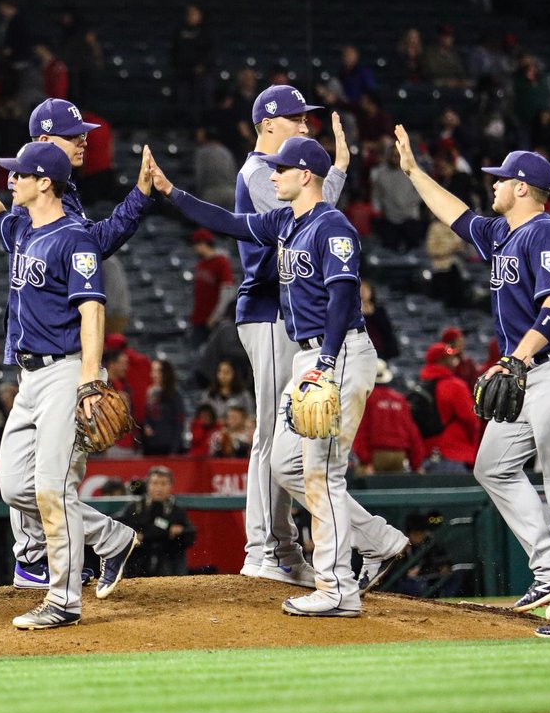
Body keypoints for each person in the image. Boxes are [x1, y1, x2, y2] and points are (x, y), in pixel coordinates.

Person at [150, 135, 410, 617]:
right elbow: (227, 222)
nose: (272, 176)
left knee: (321, 472)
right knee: (286, 465)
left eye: (281, 169)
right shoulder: (284, 221)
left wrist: (326, 364)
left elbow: (343, 298)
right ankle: (376, 541)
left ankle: (337, 588)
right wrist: (170, 192)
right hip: (308, 359)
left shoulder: (333, 227)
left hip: (339, 353)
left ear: (305, 174)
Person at [394, 125, 550, 638]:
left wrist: (516, 356)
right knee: (492, 465)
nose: (491, 184)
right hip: (530, 371)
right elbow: (455, 214)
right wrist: (413, 172)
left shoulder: (546, 233)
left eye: (500, 179)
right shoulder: (502, 233)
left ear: (521, 187)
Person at [0, 129, 140, 629]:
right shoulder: (23, 228)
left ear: (45, 182)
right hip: (29, 378)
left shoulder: (75, 238)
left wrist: (88, 382)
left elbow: (92, 312)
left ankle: (63, 599)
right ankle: (110, 539)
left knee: (51, 488)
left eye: (19, 174)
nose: (10, 180)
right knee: (14, 485)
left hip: (65, 371)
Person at [5, 97, 156, 588]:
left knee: (52, 482)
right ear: (44, 142)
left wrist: (89, 374)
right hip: (37, 357)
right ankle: (73, 549)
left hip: (63, 360)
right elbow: (91, 242)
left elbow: (92, 259)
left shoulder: (61, 203)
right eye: (73, 135)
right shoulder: (38, 196)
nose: (85, 140)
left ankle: (56, 578)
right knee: (26, 483)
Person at [226, 85, 357, 586]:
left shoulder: (273, 169)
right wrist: (337, 171)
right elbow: (312, 212)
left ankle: (278, 547)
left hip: (282, 312)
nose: (305, 125)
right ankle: (265, 550)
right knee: (270, 434)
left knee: (284, 433)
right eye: (296, 118)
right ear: (268, 124)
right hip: (266, 309)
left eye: (306, 118)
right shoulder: (260, 172)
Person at [114, 466, 197, 577]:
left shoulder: (176, 510)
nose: (159, 488)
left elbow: (190, 534)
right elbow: (118, 524)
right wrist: (132, 534)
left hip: (167, 558)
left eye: (163, 484)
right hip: (139, 559)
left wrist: (180, 531)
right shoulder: (136, 507)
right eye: (155, 483)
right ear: (148, 485)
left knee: (175, 553)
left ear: (171, 486)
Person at [414, 341, 481, 473]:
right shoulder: (455, 385)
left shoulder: (420, 385)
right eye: (450, 358)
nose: (455, 361)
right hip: (454, 453)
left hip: (427, 453)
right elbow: (470, 420)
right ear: (441, 361)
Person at [353, 360, 424, 474]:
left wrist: (366, 461)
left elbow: (360, 430)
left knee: (359, 477)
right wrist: (416, 464)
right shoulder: (400, 399)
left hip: (375, 454)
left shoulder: (366, 399)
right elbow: (412, 432)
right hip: (399, 455)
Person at [188, 228, 235, 345]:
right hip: (199, 319)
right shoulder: (200, 264)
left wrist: (216, 316)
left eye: (196, 244)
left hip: (213, 321)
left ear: (203, 244)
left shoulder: (221, 262)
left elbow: (228, 292)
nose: (194, 248)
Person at [143, 359, 184, 455]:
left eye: (157, 371)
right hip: (151, 447)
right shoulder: (150, 393)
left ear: (165, 373)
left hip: (168, 447)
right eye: (153, 371)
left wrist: (174, 450)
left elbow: (179, 423)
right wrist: (146, 426)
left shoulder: (174, 395)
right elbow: (147, 418)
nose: (153, 375)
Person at [359, 280, 400, 361]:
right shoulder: (351, 312)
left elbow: (386, 330)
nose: (363, 292)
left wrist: (372, 313)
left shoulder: (379, 310)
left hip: (378, 350)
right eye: (360, 289)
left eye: (365, 289)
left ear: (371, 291)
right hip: (359, 351)